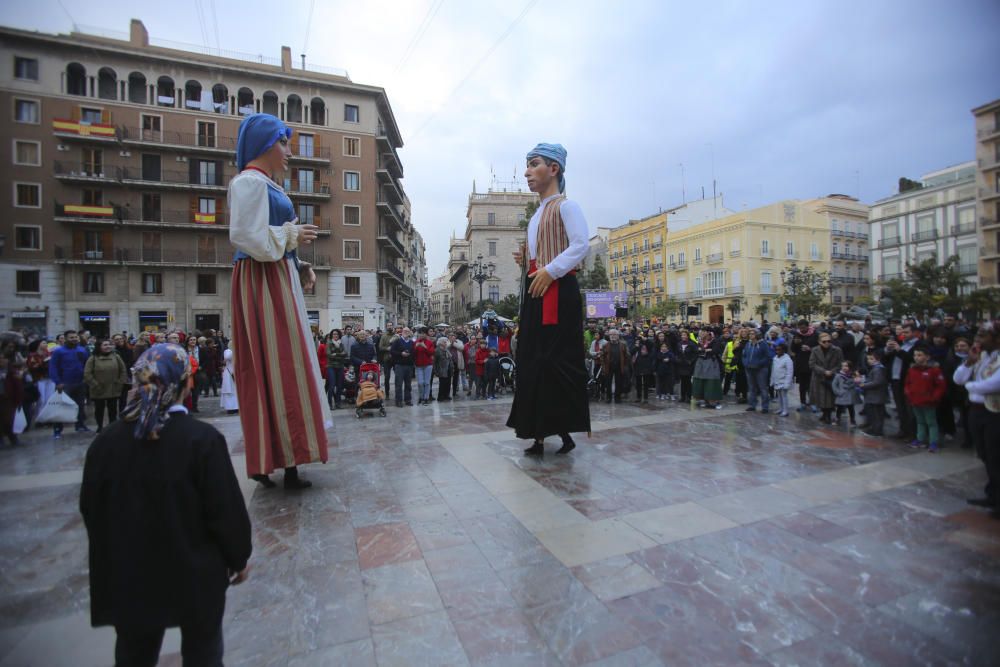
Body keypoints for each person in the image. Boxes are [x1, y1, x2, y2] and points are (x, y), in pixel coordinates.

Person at [80, 344, 252, 667]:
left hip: (128, 574)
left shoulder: (105, 444)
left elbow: (91, 510)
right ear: (186, 384)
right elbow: (225, 510)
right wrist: (238, 557)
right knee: (203, 651)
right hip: (193, 572)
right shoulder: (200, 440)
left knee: (134, 653)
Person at [228, 113, 330, 490]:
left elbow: (263, 238)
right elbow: (245, 236)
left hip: (273, 276)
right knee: (279, 364)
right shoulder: (249, 183)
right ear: (264, 144)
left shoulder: (263, 184)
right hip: (262, 281)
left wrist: (298, 263)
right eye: (283, 142)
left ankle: (283, 457)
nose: (289, 151)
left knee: (284, 365)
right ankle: (282, 458)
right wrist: (290, 235)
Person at [507, 143, 590, 456]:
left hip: (557, 291)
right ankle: (540, 433)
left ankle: (561, 430)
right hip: (536, 292)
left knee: (554, 361)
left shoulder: (567, 207)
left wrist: (550, 270)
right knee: (532, 362)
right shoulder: (536, 216)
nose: (527, 172)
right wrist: (526, 260)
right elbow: (543, 252)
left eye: (534, 164)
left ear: (553, 169)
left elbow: (581, 245)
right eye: (527, 165)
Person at [953, 322, 1000, 517]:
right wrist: (968, 363)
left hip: (994, 412)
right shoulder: (980, 356)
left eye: (982, 336)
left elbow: (994, 384)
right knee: (984, 454)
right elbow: (958, 379)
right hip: (976, 410)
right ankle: (992, 494)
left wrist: (971, 387)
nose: (977, 340)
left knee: (996, 456)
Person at [48, 330, 90, 439]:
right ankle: (57, 429)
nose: (74, 339)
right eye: (71, 337)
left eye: (76, 337)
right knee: (61, 406)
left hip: (80, 382)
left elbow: (87, 364)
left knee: (80, 405)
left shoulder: (82, 350)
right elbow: (53, 367)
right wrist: (57, 382)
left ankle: (80, 425)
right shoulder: (58, 351)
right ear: (66, 339)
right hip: (64, 383)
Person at [904, 345, 947, 452]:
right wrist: (909, 393)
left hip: (929, 401)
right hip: (915, 400)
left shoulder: (934, 370)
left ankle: (933, 442)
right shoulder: (912, 369)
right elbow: (907, 383)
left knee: (931, 422)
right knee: (920, 421)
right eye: (915, 355)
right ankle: (920, 439)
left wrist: (934, 397)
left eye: (919, 355)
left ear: (927, 357)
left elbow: (941, 385)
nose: (916, 357)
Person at [83, 339, 127, 433]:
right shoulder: (93, 358)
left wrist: (120, 382)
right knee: (99, 409)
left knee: (113, 409)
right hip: (98, 388)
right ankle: (99, 426)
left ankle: (112, 426)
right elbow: (87, 374)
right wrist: (95, 384)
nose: (108, 347)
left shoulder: (116, 357)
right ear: (99, 347)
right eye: (105, 345)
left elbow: (123, 370)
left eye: (109, 345)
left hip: (113, 388)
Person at [810, 333, 844, 424]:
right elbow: (812, 364)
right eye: (824, 341)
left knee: (829, 398)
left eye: (829, 341)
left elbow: (840, 364)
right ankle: (824, 414)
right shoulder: (815, 350)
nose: (827, 343)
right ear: (819, 342)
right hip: (819, 376)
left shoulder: (837, 350)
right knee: (820, 397)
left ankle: (828, 415)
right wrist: (823, 371)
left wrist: (831, 372)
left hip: (832, 377)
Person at [857, 349, 888, 437]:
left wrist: (864, 385)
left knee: (876, 415)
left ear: (877, 359)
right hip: (874, 396)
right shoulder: (876, 368)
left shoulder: (878, 369)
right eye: (868, 359)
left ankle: (877, 430)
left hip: (876, 396)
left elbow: (877, 382)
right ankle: (874, 428)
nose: (869, 361)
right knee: (874, 414)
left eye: (871, 359)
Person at [743, 329, 773, 413]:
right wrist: (745, 363)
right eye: (750, 334)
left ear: (757, 335)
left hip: (760, 369)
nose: (750, 335)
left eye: (753, 334)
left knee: (763, 387)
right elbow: (744, 355)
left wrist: (759, 363)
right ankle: (752, 405)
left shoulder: (763, 344)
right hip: (749, 368)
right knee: (751, 388)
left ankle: (765, 406)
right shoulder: (748, 344)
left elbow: (768, 357)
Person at [692, 331, 724, 410]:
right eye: (704, 334)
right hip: (700, 363)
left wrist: (707, 350)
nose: (705, 336)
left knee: (711, 381)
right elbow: (697, 350)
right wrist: (705, 350)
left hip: (711, 363)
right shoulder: (699, 341)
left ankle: (712, 400)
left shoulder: (715, 341)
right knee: (700, 380)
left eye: (707, 334)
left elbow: (715, 350)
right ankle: (702, 399)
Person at [600, 330, 631, 403]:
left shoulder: (623, 345)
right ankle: (608, 398)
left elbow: (627, 356)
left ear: (618, 336)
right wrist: (603, 366)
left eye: (614, 335)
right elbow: (602, 356)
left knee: (619, 382)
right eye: (611, 335)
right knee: (608, 383)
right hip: (608, 367)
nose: (613, 336)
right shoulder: (605, 345)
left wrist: (625, 365)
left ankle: (617, 398)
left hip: (619, 366)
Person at [390, 327, 415, 407]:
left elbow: (414, 352)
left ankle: (408, 400)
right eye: (404, 331)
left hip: (409, 365)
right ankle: (399, 401)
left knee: (408, 384)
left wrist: (410, 355)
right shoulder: (397, 341)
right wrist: (401, 354)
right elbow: (392, 351)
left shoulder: (411, 342)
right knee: (399, 384)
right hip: (399, 365)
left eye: (408, 331)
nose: (406, 332)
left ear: (410, 333)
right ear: (402, 332)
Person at [831, 360, 860, 427]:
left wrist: (857, 381)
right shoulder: (838, 375)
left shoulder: (853, 375)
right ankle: (837, 419)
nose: (844, 367)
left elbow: (857, 383)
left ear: (850, 367)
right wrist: (838, 392)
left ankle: (852, 421)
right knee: (839, 408)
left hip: (850, 396)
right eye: (843, 366)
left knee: (851, 408)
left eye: (846, 366)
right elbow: (834, 385)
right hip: (842, 395)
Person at [325, 330, 348, 409]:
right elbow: (329, 355)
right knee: (331, 385)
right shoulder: (329, 343)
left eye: (337, 334)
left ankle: (338, 403)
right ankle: (330, 404)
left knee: (339, 386)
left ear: (339, 335)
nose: (336, 335)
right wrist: (340, 355)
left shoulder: (341, 343)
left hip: (340, 366)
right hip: (331, 366)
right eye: (334, 334)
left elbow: (345, 354)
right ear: (332, 335)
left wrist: (335, 354)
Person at [413, 328, 435, 405]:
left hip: (428, 365)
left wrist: (425, 347)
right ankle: (421, 397)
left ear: (426, 334)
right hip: (419, 365)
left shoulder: (429, 342)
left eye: (423, 333)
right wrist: (416, 347)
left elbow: (431, 353)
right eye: (420, 333)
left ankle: (426, 398)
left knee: (427, 382)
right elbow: (413, 353)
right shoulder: (416, 342)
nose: (422, 335)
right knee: (420, 383)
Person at [770, 343, 794, 417]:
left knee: (784, 396)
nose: (777, 351)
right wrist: (772, 380)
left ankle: (785, 410)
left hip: (784, 381)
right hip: (777, 380)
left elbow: (789, 372)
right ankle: (780, 408)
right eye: (776, 350)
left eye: (779, 350)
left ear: (784, 350)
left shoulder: (788, 360)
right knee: (779, 396)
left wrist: (787, 383)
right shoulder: (775, 358)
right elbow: (773, 370)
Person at [220, 346, 239, 414]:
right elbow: (227, 357)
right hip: (229, 374)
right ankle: (230, 408)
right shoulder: (228, 351)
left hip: (236, 373)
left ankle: (237, 407)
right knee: (229, 391)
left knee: (236, 391)